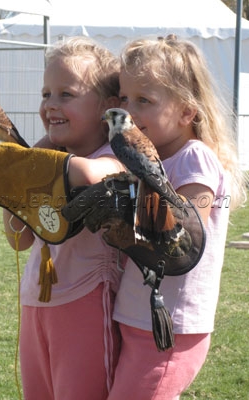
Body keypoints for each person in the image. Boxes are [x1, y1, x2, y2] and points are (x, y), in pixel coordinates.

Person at [105, 35, 247, 400]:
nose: (129, 111)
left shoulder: (193, 157)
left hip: (174, 325)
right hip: (135, 316)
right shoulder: (146, 157)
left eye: (144, 100)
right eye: (124, 98)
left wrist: (121, 218)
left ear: (186, 112)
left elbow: (184, 233)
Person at [2, 37, 124, 400]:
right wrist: (15, 183)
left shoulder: (113, 159)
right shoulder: (53, 158)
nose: (50, 105)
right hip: (36, 302)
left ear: (108, 106)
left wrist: (31, 159)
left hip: (86, 302)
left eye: (66, 94)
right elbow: (18, 239)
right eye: (45, 94)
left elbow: (89, 176)